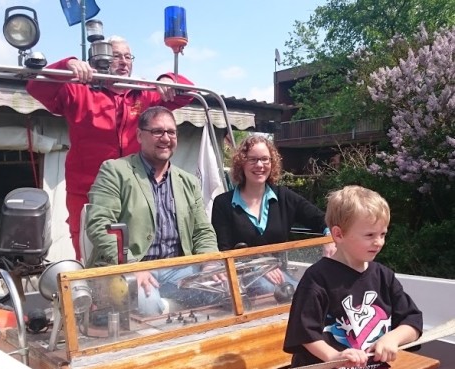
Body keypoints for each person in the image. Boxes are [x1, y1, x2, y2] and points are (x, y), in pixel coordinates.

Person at [25, 36, 193, 260]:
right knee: (91, 252)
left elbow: (189, 92)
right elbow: (36, 87)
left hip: (137, 190)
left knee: (138, 250)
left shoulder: (144, 94)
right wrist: (67, 64)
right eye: (116, 56)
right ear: (99, 59)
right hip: (87, 192)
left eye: (127, 57)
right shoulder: (79, 92)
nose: (123, 62)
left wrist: (167, 78)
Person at [85, 106, 221, 315]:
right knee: (147, 306)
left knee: (225, 290)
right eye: (157, 131)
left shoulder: (189, 182)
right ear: (139, 135)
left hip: (178, 268)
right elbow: (100, 224)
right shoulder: (114, 171)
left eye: (171, 132)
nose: (166, 138)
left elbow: (202, 231)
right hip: (128, 269)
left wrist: (210, 264)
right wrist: (132, 266)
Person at [283, 185, 422, 368]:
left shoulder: (383, 276)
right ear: (339, 234)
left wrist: (393, 338)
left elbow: (412, 321)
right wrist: (334, 356)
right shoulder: (317, 279)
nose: (379, 242)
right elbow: (304, 333)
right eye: (370, 235)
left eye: (383, 234)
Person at [211, 135, 334, 295]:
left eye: (265, 159)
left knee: (313, 293)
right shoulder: (223, 203)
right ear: (241, 163)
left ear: (272, 163)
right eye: (253, 160)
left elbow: (321, 219)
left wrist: (329, 237)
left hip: (279, 279)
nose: (260, 165)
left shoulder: (285, 197)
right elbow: (224, 250)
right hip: (241, 284)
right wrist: (258, 266)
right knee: (283, 292)